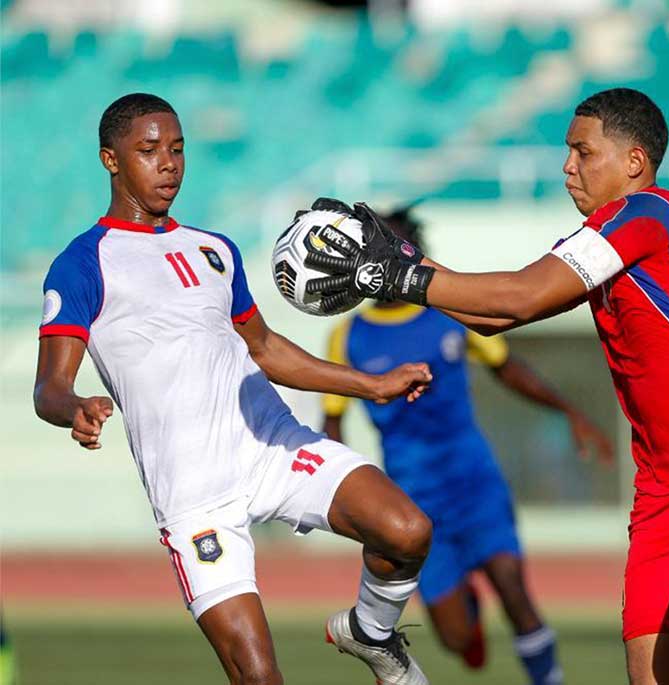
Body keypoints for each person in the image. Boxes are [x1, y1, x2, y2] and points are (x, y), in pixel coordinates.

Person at [307, 87, 669, 685]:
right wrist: (402, 261)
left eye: (583, 151)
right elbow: (493, 316)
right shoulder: (603, 238)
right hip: (662, 496)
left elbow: (520, 297)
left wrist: (396, 273)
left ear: (634, 161)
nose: (568, 166)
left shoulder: (649, 215)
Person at [33, 93, 437, 685]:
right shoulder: (83, 263)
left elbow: (265, 348)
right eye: (149, 151)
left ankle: (372, 634)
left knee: (407, 531)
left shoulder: (215, 249)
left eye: (177, 150)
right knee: (258, 677)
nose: (168, 164)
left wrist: (370, 385)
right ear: (110, 159)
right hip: (194, 491)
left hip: (272, 446)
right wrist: (74, 407)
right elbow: (48, 387)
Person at [322, 205, 615, 685]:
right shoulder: (348, 335)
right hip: (413, 498)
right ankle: (467, 612)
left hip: (473, 479)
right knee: (457, 638)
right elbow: (332, 420)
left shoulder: (448, 316)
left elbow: (507, 367)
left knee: (515, 592)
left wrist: (569, 411)